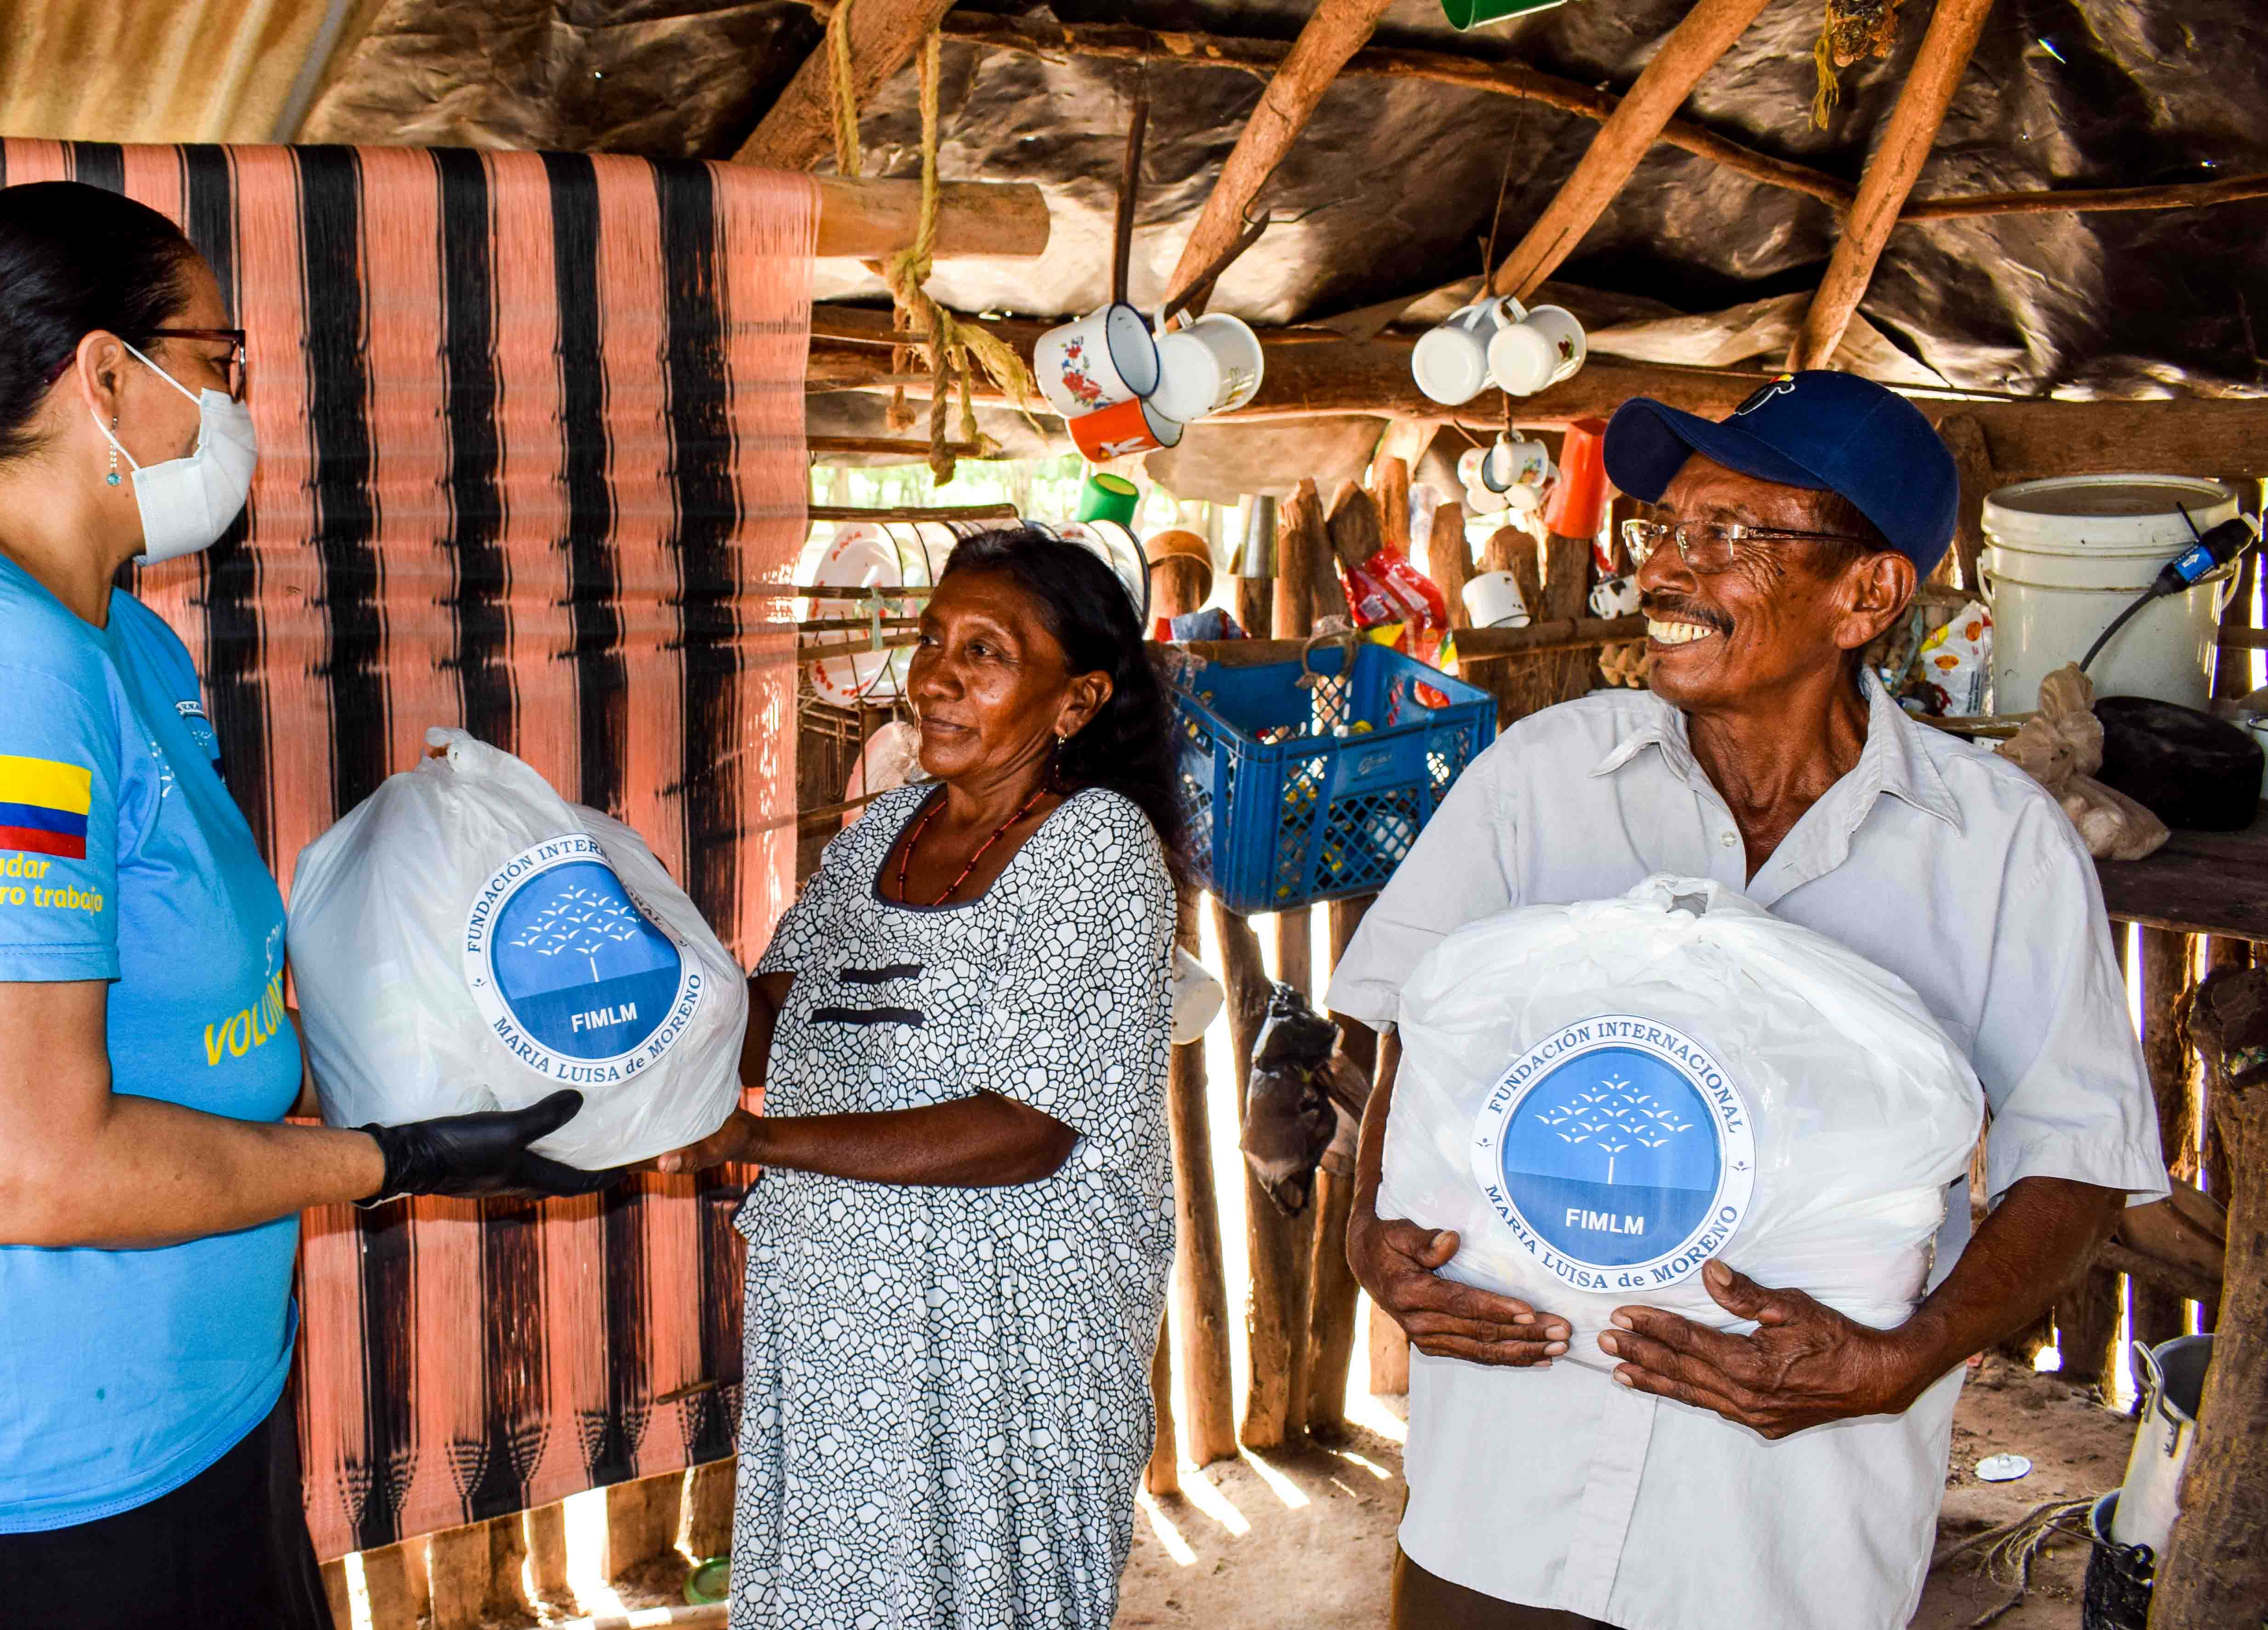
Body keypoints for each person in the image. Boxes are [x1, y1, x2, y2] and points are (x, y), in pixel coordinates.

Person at [0, 181, 609, 1630]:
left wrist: (450, 1050)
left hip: (172, 1411)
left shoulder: (112, 633)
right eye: (223, 361)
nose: (236, 407)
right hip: (34, 1479)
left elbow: (189, 999)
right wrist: (392, 1157)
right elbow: (32, 1172)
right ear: (108, 373)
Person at [1328, 371, 2168, 1630]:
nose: (1662, 572)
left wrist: (1902, 1358)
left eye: (1726, 535)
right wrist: (1365, 1232)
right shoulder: (1541, 777)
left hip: (1779, 1518)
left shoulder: (1993, 843)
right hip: (1510, 1478)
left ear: (1865, 594)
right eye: (1659, 530)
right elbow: (1406, 1018)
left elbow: (2079, 1158)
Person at [659, 526, 1183, 1629]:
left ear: (1075, 701)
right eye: (934, 638)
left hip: (1001, 1342)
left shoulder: (1097, 847)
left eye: (985, 653)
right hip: (842, 1317)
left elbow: (1029, 1127)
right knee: (837, 1589)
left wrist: (757, 1143)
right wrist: (651, 986)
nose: (935, 674)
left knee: (980, 1596)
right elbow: (768, 1025)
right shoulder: (884, 831)